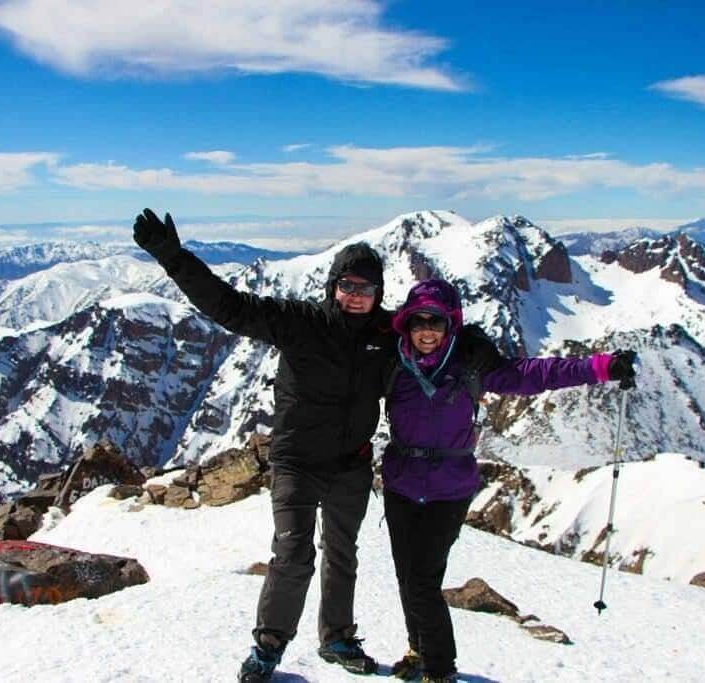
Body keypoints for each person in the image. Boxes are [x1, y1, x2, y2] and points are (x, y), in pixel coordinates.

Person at [132, 210, 499, 682]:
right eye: (347, 286)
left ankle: (337, 637)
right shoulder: (298, 322)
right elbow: (228, 306)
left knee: (343, 552)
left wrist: (474, 346)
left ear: (377, 295)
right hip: (297, 461)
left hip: (350, 463)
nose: (355, 297)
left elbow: (435, 335)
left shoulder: (386, 335)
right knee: (293, 554)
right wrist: (173, 258)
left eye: (365, 290)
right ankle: (268, 646)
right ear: (332, 287)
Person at [381, 278, 636, 682]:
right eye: (417, 322)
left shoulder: (471, 365)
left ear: (452, 326)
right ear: (405, 325)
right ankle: (419, 648)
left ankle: (440, 669)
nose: (426, 331)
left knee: (422, 581)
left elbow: (536, 374)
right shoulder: (392, 362)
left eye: (437, 322)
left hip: (449, 488)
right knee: (406, 574)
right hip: (401, 485)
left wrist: (601, 367)